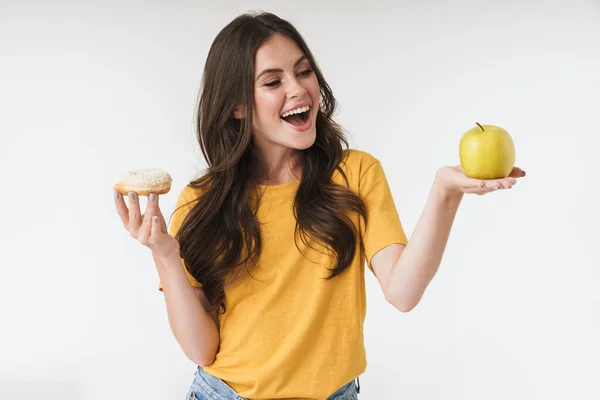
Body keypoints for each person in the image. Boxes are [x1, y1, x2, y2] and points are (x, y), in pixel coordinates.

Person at [114, 11, 525, 400]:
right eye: (273, 82)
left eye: (304, 71)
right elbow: (203, 350)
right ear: (237, 106)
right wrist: (165, 256)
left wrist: (445, 192)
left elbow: (403, 292)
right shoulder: (201, 203)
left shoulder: (355, 174)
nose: (298, 89)